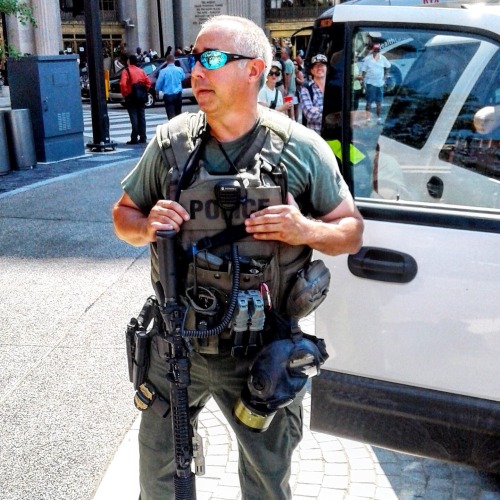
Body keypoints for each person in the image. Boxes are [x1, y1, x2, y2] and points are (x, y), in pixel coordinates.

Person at [112, 15, 363, 500]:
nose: (195, 71)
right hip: (178, 345)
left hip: (262, 354)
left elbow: (349, 232)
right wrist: (144, 227)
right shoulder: (171, 146)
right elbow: (123, 214)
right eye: (194, 58)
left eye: (211, 59)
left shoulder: (299, 150)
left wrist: (304, 229)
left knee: (268, 483)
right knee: (159, 480)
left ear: (254, 71)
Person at [120, 54, 151, 144]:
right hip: (141, 96)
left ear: (129, 61)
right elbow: (148, 82)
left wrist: (125, 93)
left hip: (131, 96)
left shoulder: (126, 71)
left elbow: (122, 83)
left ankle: (134, 137)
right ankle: (143, 136)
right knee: (141, 116)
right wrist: (144, 90)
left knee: (133, 116)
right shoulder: (141, 71)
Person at [360, 43, 391, 124]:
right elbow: (363, 71)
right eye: (375, 50)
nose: (376, 52)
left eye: (378, 50)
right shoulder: (368, 59)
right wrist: (362, 82)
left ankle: (378, 119)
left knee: (379, 103)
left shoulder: (383, 58)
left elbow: (388, 67)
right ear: (373, 50)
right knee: (369, 102)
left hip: (380, 84)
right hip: (371, 84)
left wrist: (385, 76)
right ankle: (367, 119)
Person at [300, 53, 328, 134]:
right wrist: (330, 115)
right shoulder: (306, 89)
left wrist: (318, 109)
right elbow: (310, 115)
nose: (319, 68)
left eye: (322, 65)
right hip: (315, 138)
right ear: (312, 71)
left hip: (333, 136)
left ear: (327, 69)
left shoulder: (332, 88)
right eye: (316, 66)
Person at [155, 54, 185, 119]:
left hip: (168, 95)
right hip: (178, 94)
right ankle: (179, 128)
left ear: (167, 61)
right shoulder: (179, 69)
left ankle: (173, 128)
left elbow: (158, 84)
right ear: (174, 61)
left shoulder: (163, 71)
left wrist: (159, 89)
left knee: (171, 115)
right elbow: (183, 77)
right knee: (178, 114)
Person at [281, 48, 296, 120]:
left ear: (286, 54)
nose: (281, 54)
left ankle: (292, 121)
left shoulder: (287, 63)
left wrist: (286, 88)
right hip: (291, 88)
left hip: (289, 89)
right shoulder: (289, 62)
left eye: (282, 53)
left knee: (290, 106)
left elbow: (288, 76)